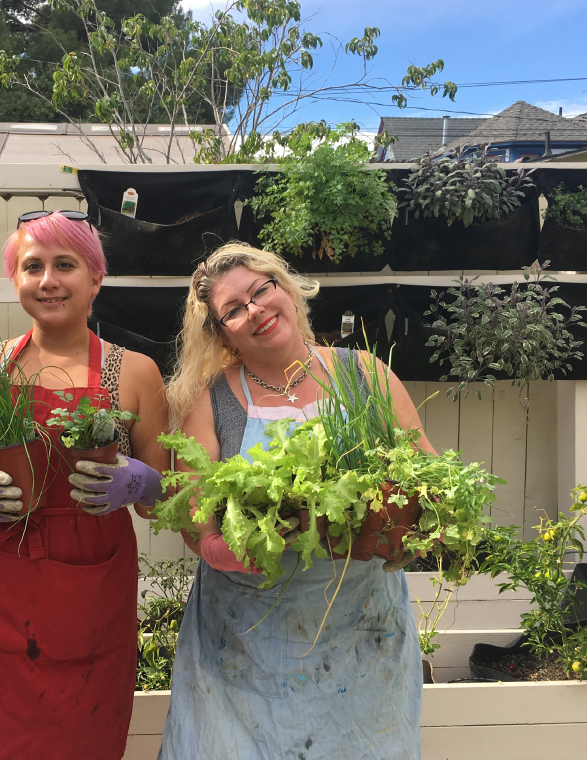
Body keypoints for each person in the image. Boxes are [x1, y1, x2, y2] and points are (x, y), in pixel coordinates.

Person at [158, 243, 436, 760]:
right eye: (234, 310)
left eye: (262, 290)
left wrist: (411, 534)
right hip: (244, 640)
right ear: (221, 334)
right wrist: (216, 546)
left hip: (361, 634)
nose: (255, 310)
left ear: (286, 289)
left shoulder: (365, 375)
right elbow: (193, 517)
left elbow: (426, 477)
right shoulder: (210, 397)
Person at [0, 210, 170, 760]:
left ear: (96, 278)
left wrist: (145, 486)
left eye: (66, 265)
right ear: (15, 279)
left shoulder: (133, 373)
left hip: (89, 601)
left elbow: (167, 499)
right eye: (32, 266)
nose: (48, 280)